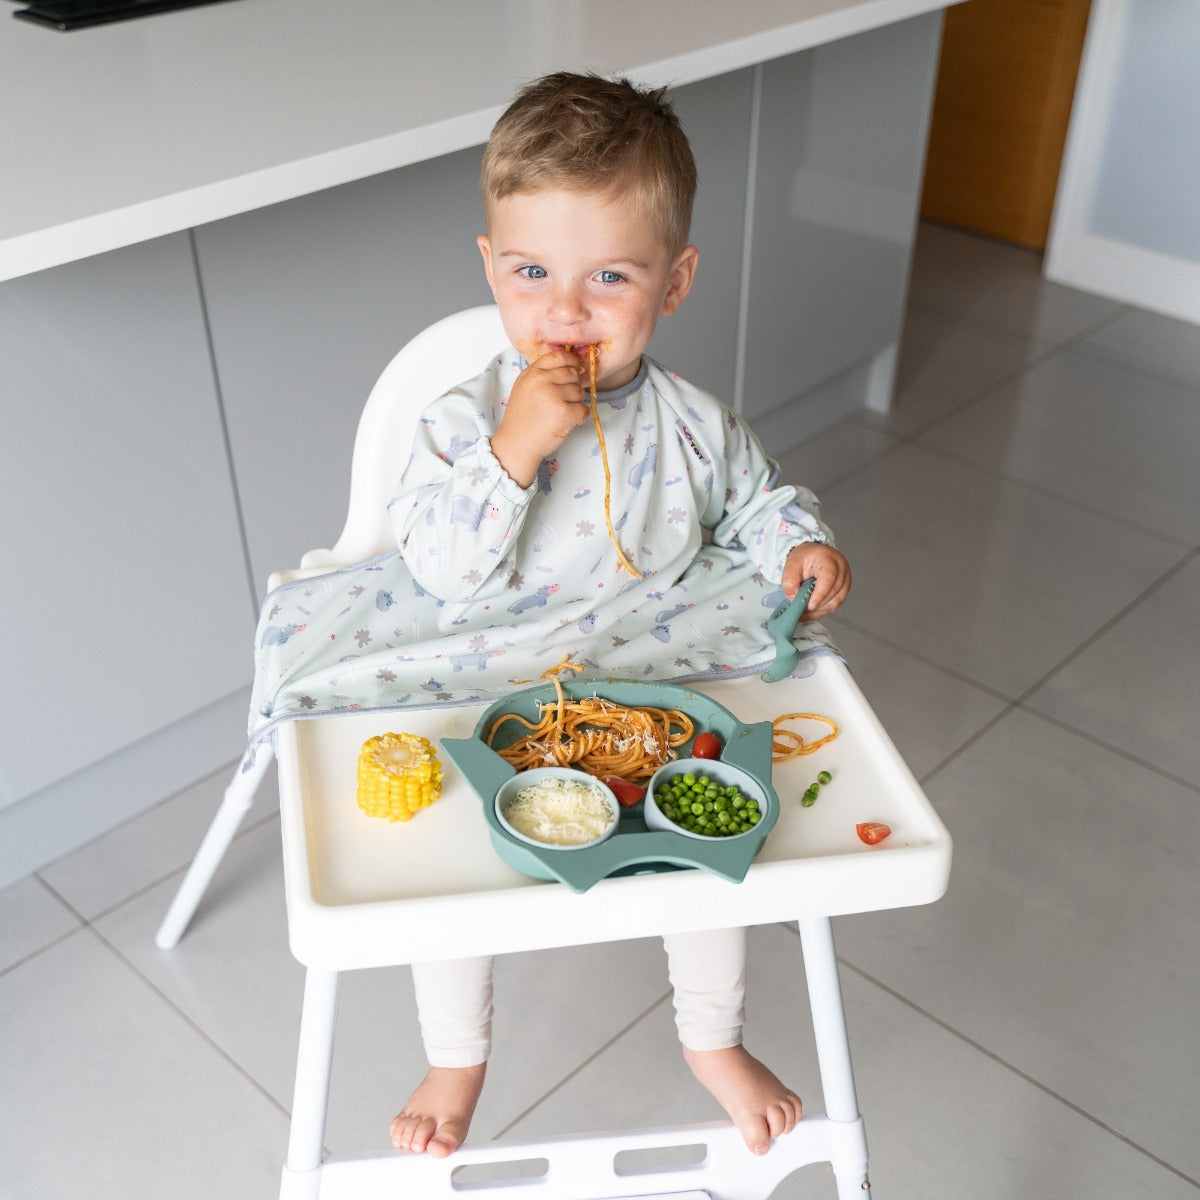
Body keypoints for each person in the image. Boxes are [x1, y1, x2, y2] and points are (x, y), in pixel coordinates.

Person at [381, 71, 852, 1162]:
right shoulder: (462, 422)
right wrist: (517, 447)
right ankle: (457, 1056)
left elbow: (760, 500)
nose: (566, 310)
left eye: (610, 276)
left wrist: (802, 543)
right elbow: (443, 567)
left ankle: (712, 1041)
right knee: (446, 871)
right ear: (491, 266)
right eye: (533, 271)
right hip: (487, 681)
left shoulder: (693, 426)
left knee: (714, 831)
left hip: (651, 681)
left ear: (674, 281)